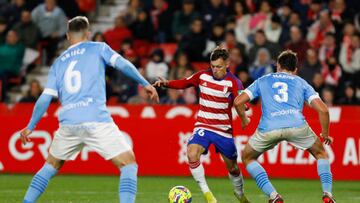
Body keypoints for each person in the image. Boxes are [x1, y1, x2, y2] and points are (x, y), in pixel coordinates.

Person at [20, 16, 159, 203]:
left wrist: (30, 126)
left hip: (68, 123)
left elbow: (45, 98)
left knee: (51, 165)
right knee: (128, 164)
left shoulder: (58, 62)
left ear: (68, 36)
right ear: (89, 33)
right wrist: (145, 83)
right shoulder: (98, 48)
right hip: (95, 119)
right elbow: (123, 64)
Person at [234, 50, 336, 203]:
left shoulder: (263, 79)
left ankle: (274, 196)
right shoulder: (301, 82)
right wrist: (325, 134)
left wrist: (243, 119)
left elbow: (237, 101)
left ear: (278, 66)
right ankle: (327, 194)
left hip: (268, 128)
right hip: (296, 125)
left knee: (247, 158)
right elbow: (323, 109)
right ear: (295, 70)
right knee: (321, 153)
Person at [154, 47, 249, 203]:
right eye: (213, 66)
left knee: (233, 168)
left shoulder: (234, 82)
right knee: (192, 153)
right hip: (203, 126)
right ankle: (208, 195)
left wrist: (244, 114)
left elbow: (241, 101)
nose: (215, 70)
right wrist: (166, 83)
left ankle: (240, 194)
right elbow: (185, 83)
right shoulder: (203, 75)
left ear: (227, 64)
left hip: (223, 131)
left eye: (219, 66)